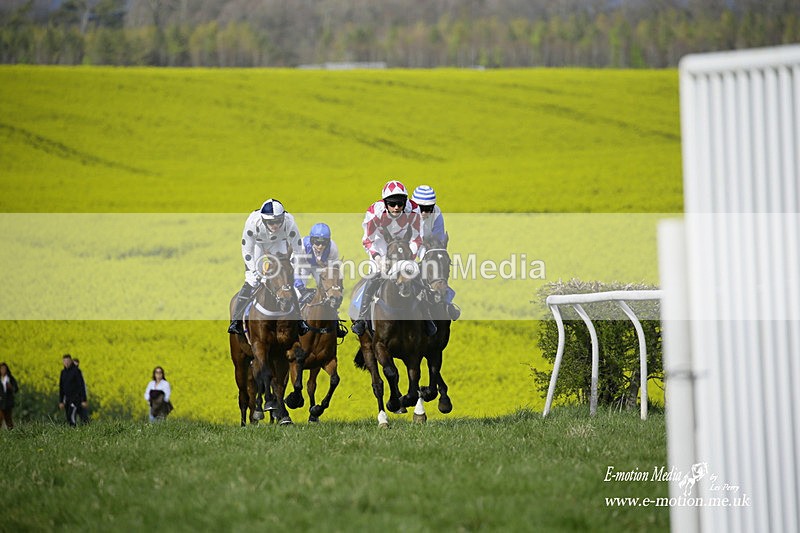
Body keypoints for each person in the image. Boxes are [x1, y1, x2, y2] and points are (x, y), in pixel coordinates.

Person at [352, 180, 435, 337]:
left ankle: (427, 318)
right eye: (392, 203)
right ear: (385, 203)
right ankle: (362, 318)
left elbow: (417, 237)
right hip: (381, 244)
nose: (396, 207)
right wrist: (378, 258)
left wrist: (408, 258)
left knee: (415, 276)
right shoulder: (374, 212)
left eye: (400, 203)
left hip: (404, 244)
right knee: (375, 275)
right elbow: (368, 239)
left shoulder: (414, 210)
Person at [228, 198, 309, 336]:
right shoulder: (252, 223)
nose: (275, 225)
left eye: (278, 221)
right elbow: (247, 251)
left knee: (286, 283)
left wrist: (291, 269)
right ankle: (236, 320)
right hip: (257, 246)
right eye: (271, 222)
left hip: (278, 243)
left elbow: (298, 249)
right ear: (264, 220)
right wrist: (254, 272)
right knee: (252, 281)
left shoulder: (289, 222)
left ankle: (299, 320)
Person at [412, 185, 460, 321]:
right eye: (421, 208)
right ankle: (363, 313)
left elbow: (437, 240)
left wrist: (428, 255)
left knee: (438, 272)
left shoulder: (437, 213)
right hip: (407, 248)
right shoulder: (406, 213)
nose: (425, 213)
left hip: (428, 249)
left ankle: (447, 303)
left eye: (429, 209)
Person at [59, 354, 89, 426]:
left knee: (71, 416)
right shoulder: (63, 372)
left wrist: (84, 400)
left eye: (68, 361)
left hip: (76, 399)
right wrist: (61, 401)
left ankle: (73, 430)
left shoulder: (76, 371)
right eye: (64, 361)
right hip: (67, 400)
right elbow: (61, 387)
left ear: (71, 361)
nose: (66, 363)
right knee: (81, 416)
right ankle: (86, 427)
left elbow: (81, 386)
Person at [0, 362, 19, 430]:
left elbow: (16, 389)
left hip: (8, 403)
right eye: (1, 369)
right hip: (0, 402)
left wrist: (11, 387)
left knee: (8, 420)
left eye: (4, 369)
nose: (3, 370)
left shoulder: (10, 378)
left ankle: (12, 433)